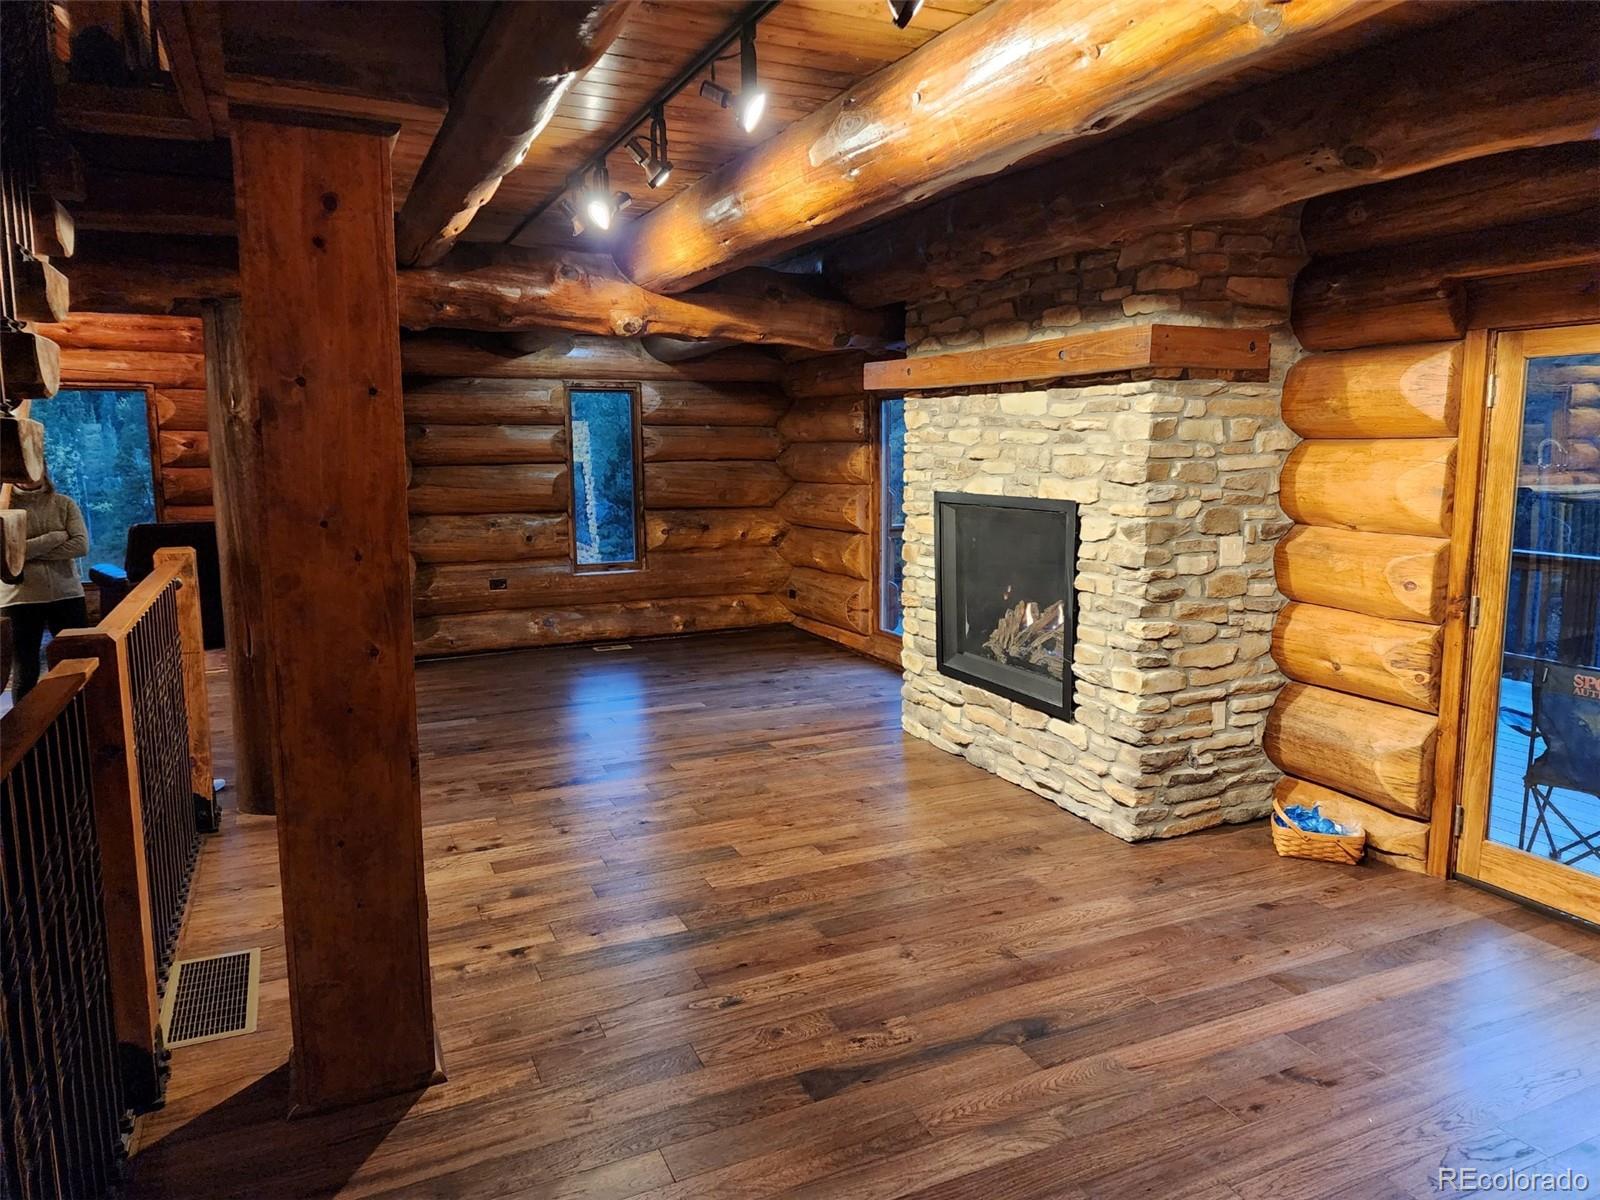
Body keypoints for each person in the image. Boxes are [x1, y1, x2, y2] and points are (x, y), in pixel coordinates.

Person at [2, 472, 89, 700]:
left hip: (66, 594)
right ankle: (25, 730)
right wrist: (54, 537)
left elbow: (80, 545)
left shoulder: (64, 503)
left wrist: (23, 551)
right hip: (19, 598)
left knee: (74, 664)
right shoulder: (3, 510)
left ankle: (75, 720)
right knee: (25, 670)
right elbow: (4, 554)